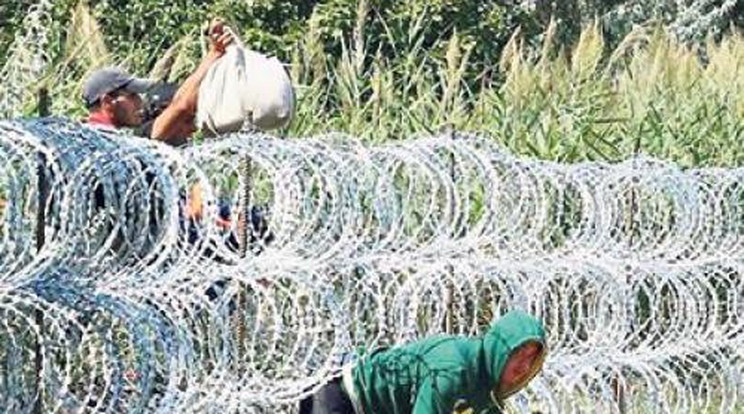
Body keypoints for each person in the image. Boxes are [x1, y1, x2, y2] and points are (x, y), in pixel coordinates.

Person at [300, 310, 546, 414]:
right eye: (518, 355)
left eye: (531, 360)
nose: (523, 367)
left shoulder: (487, 391)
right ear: (500, 349)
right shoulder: (455, 371)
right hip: (343, 395)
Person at [82, 19, 235, 146]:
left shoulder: (110, 138)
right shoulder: (108, 141)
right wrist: (215, 53)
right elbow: (181, 105)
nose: (139, 102)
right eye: (132, 96)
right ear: (108, 101)